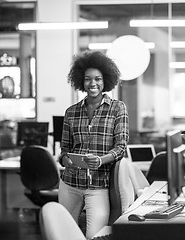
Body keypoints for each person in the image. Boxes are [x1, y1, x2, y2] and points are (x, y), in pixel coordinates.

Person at [58, 50, 129, 238]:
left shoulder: (117, 108)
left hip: (99, 185)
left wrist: (100, 160)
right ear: (81, 81)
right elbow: (64, 149)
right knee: (65, 235)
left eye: (97, 79)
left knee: (94, 236)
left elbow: (121, 148)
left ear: (105, 80)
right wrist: (66, 161)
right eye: (88, 79)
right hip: (70, 183)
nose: (93, 83)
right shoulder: (71, 112)